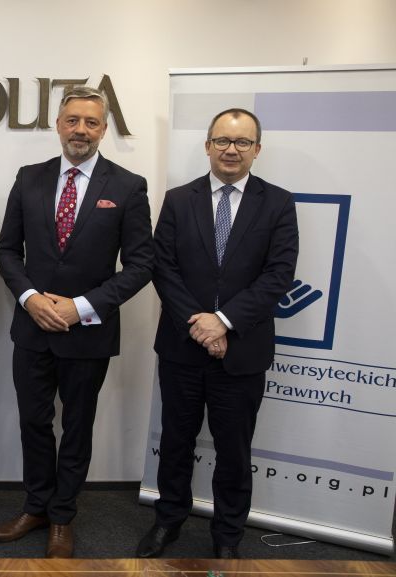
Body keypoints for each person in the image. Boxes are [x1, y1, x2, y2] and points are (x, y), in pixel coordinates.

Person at [0, 86, 154, 558]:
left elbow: (142, 264)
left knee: (78, 426)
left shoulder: (128, 186)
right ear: (58, 125)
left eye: (91, 122)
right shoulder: (29, 178)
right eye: (73, 120)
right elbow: (7, 250)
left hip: (89, 332)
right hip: (32, 329)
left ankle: (63, 515)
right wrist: (29, 298)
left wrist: (81, 306)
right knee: (34, 422)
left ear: (104, 129)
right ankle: (36, 506)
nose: (81, 130)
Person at [136, 108, 298, 560]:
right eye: (223, 140)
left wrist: (223, 321)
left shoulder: (278, 203)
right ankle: (168, 521)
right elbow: (163, 267)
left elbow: (279, 274)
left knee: (234, 450)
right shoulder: (178, 199)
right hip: (182, 348)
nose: (231, 149)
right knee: (175, 442)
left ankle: (227, 536)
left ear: (257, 150)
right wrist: (200, 323)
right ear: (207, 145)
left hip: (242, 351)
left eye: (242, 142)